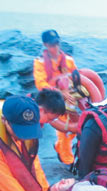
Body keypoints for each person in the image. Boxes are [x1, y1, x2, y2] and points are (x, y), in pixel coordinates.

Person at [33, 29, 78, 165]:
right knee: (64, 129)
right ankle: (68, 161)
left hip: (70, 98)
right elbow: (41, 84)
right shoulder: (39, 63)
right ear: (46, 45)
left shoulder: (69, 61)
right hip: (52, 101)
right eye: (52, 44)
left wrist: (70, 92)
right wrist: (59, 92)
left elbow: (76, 78)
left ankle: (60, 147)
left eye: (57, 43)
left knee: (76, 127)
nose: (56, 47)